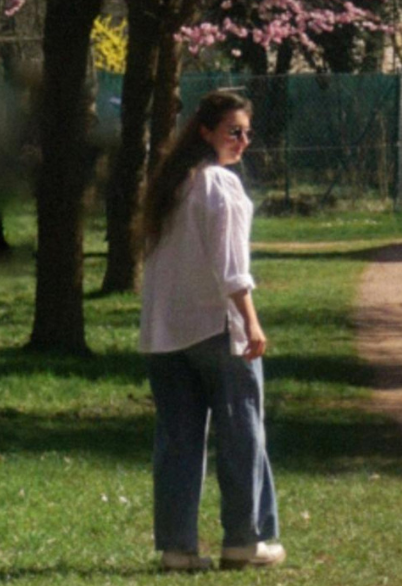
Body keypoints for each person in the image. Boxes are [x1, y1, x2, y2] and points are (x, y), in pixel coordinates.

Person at [137, 89, 285, 572]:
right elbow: (231, 267)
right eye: (233, 132)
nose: (243, 141)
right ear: (206, 132)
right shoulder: (219, 185)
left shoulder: (170, 187)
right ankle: (245, 539)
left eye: (247, 133)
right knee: (242, 432)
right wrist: (251, 320)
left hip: (165, 333)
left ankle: (177, 548)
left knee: (178, 440)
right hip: (215, 328)